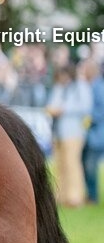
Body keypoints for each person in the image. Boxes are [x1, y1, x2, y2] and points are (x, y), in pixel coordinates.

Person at [46, 63, 92, 207]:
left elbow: (86, 107)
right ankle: (60, 195)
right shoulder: (59, 87)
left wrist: (64, 109)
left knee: (72, 164)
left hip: (74, 132)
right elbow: (51, 103)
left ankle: (75, 197)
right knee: (60, 164)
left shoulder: (81, 86)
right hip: (58, 132)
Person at [82, 62, 104, 204]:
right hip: (93, 134)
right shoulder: (95, 85)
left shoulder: (98, 86)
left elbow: (99, 110)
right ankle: (91, 195)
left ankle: (93, 196)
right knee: (87, 163)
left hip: (98, 134)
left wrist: (88, 119)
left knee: (90, 164)